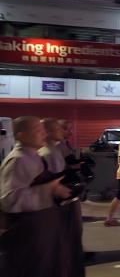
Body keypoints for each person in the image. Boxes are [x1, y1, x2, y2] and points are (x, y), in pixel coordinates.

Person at [0, 116, 74, 277]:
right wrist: (49, 190)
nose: (43, 134)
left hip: (44, 226)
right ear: (21, 135)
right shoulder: (18, 160)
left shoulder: (32, 156)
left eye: (43, 130)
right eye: (38, 131)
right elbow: (9, 200)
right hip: (30, 231)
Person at [39, 118, 85, 277]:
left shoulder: (56, 148)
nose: (63, 131)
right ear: (47, 132)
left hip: (67, 199)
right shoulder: (46, 152)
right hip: (59, 203)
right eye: (59, 128)